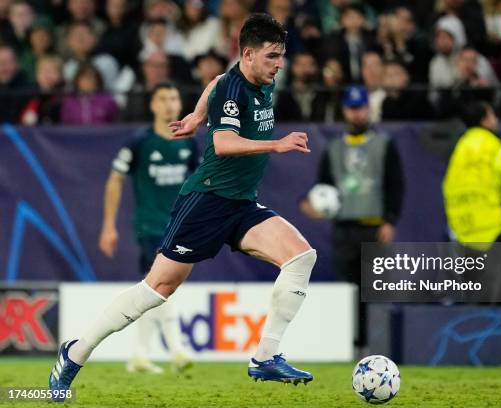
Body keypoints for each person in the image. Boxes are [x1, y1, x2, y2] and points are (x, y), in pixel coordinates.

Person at [49, 14, 316, 400]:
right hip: (206, 201)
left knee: (301, 257)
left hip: (240, 202)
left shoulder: (251, 78)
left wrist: (195, 115)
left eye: (281, 56)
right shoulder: (234, 88)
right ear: (248, 54)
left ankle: (266, 357)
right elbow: (223, 143)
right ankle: (75, 353)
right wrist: (277, 143)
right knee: (156, 290)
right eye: (273, 56)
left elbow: (213, 82)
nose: (279, 64)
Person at [98, 82, 198, 374]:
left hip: (179, 226)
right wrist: (108, 226)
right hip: (150, 226)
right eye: (163, 98)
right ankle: (177, 350)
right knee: (161, 287)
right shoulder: (139, 143)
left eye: (174, 98)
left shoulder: (188, 142)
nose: (169, 104)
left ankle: (140, 354)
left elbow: (200, 183)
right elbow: (115, 180)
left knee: (154, 289)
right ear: (153, 105)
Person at [300, 85, 404, 351]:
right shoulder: (333, 148)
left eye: (361, 108)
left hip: (373, 227)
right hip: (343, 229)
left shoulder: (384, 145)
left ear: (368, 109)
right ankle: (350, 346)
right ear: (345, 110)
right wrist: (312, 204)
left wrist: (390, 220)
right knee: (347, 291)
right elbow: (323, 186)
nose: (357, 114)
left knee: (374, 289)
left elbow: (396, 184)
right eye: (352, 108)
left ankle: (377, 347)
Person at [442, 101, 501, 250]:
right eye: (492, 115)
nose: (496, 120)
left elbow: (448, 188)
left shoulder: (458, 152)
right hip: (497, 234)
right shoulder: (494, 149)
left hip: (463, 235)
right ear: (485, 121)